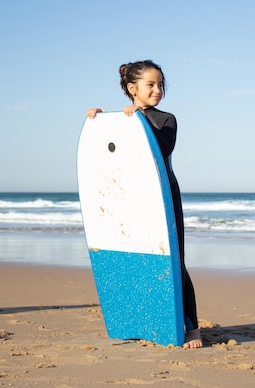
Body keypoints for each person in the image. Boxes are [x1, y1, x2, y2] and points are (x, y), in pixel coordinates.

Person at [85, 60, 202, 349]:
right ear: (132, 88)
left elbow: (160, 149)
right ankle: (140, 321)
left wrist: (139, 120)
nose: (157, 90)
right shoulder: (122, 121)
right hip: (130, 200)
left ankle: (193, 329)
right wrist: (99, 123)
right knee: (137, 257)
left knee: (175, 262)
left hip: (163, 198)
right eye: (151, 84)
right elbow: (105, 155)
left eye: (161, 84)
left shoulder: (166, 119)